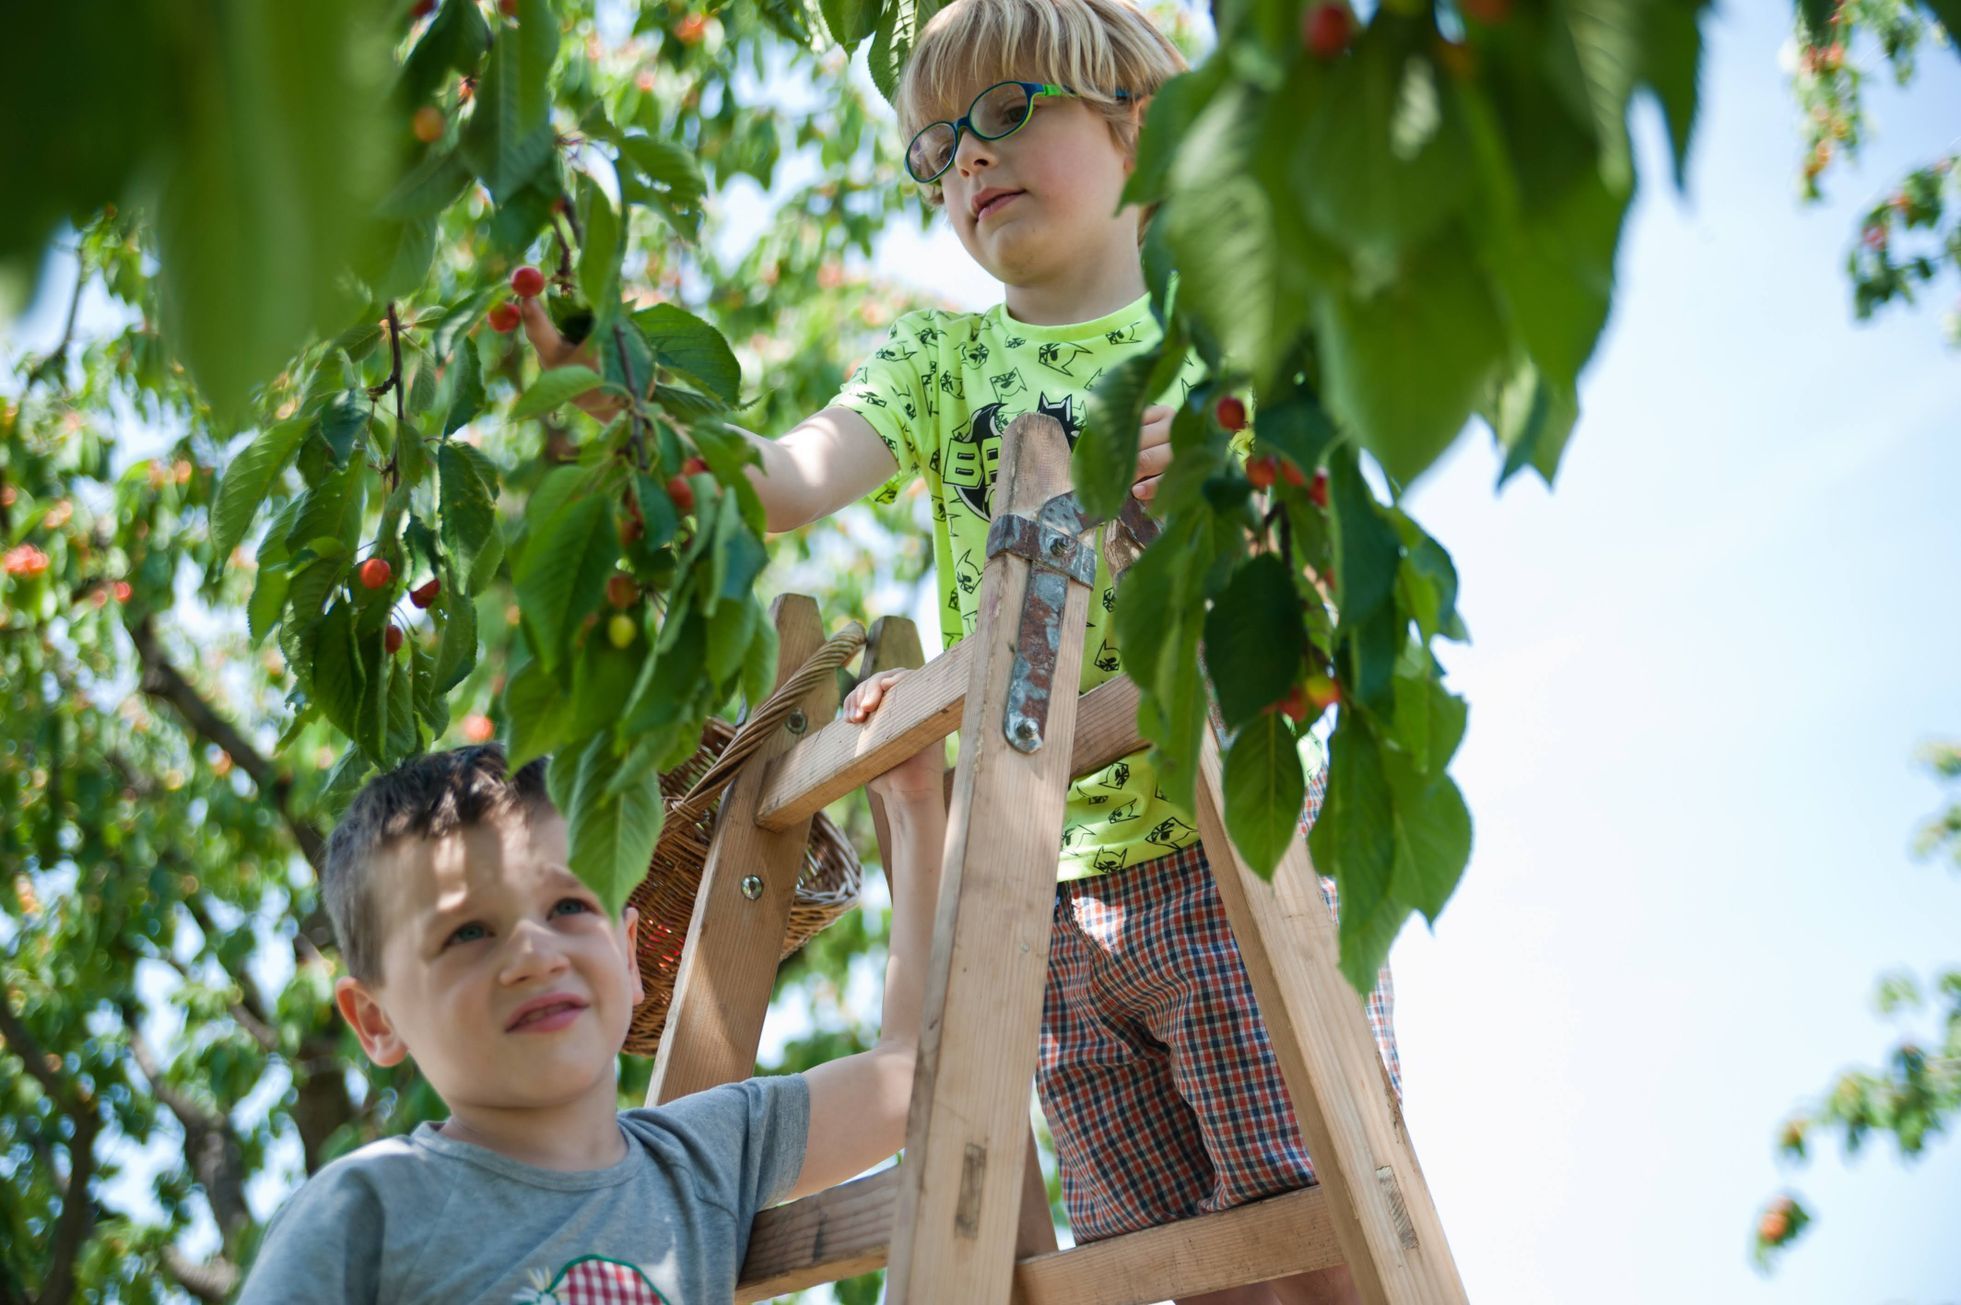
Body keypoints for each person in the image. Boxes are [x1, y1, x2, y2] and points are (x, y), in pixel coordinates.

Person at [522, 3, 1400, 1300]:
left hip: (1224, 852)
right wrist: (607, 372)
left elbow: (1330, 567)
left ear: (1135, 127)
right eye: (935, 151)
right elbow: (782, 476)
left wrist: (1237, 457)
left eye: (1004, 112)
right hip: (1035, 903)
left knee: (1309, 1236)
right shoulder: (941, 357)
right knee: (1165, 1262)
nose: (967, 163)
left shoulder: (1221, 335)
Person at [236, 701, 945, 1303]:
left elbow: (912, 1070)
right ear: (376, 1018)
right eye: (469, 931)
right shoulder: (368, 1210)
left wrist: (912, 805)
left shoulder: (703, 1158)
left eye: (569, 905)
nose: (536, 954)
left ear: (629, 955)